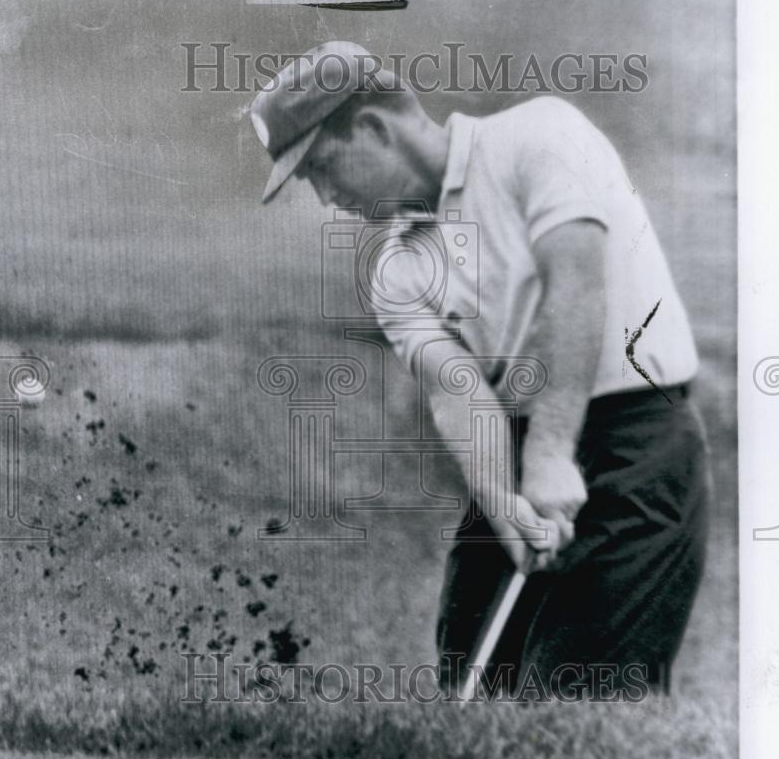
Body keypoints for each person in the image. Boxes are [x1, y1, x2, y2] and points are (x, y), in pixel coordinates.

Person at [250, 41, 709, 697]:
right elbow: (454, 390)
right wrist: (502, 503)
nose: (326, 197)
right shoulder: (395, 268)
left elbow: (575, 285)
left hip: (637, 437)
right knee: (471, 684)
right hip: (516, 446)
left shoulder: (539, 137)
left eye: (322, 167)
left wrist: (552, 454)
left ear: (375, 129)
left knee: (576, 701)